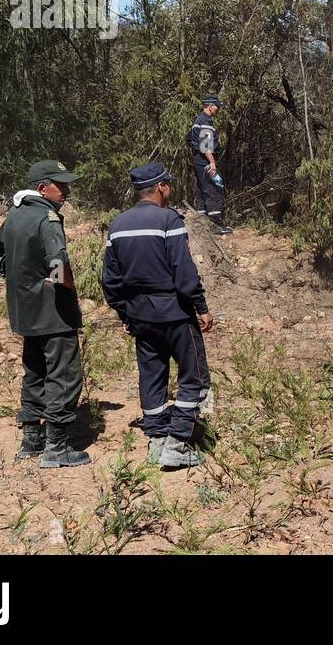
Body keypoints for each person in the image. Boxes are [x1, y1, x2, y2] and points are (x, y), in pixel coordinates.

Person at [100, 163, 213, 469]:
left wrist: (125, 313)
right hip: (175, 314)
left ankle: (157, 442)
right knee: (196, 379)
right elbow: (183, 270)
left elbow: (110, 279)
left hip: (141, 317)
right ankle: (177, 444)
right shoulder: (168, 220)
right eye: (169, 185)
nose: (170, 189)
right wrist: (200, 306)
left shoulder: (119, 224)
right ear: (161, 187)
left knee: (152, 379)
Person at [0, 160, 90, 468]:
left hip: (25, 311)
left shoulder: (14, 214)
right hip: (53, 311)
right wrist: (70, 287)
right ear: (41, 188)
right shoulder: (47, 218)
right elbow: (58, 262)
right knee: (64, 373)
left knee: (34, 371)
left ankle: (30, 440)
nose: (66, 190)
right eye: (60, 185)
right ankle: (57, 446)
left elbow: (1, 248)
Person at [187, 93, 231, 235]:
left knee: (202, 190)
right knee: (213, 189)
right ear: (210, 106)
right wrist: (212, 162)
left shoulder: (197, 120)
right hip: (205, 161)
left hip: (198, 161)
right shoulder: (205, 121)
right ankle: (215, 224)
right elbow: (205, 145)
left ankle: (203, 221)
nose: (218, 109)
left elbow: (188, 139)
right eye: (217, 107)